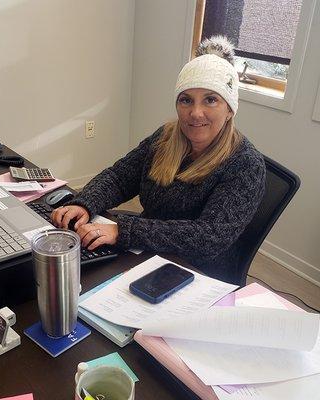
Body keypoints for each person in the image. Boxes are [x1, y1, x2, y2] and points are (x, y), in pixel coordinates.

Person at [52, 36, 266, 283]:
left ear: (229, 109)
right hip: (148, 253)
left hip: (199, 274)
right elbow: (120, 177)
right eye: (186, 100)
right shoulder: (165, 138)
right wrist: (85, 204)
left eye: (210, 99)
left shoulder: (246, 165)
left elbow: (209, 237)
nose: (195, 113)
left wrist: (123, 231)